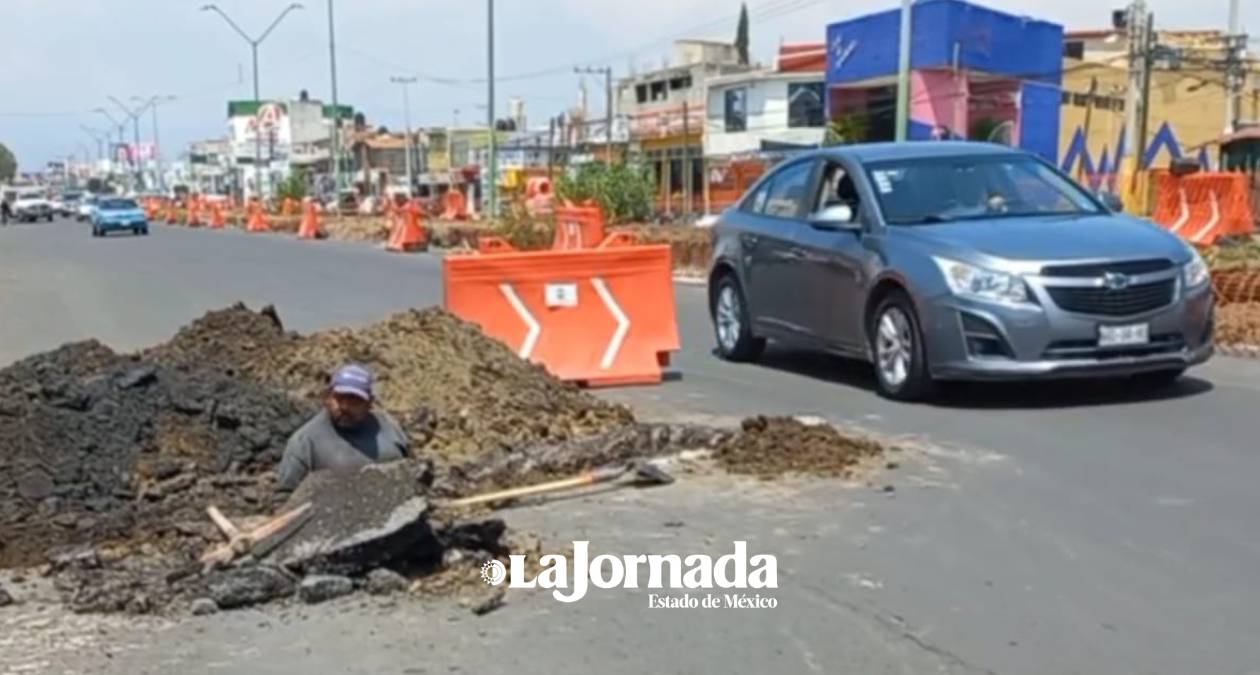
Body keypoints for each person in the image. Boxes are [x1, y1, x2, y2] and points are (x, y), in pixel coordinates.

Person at [277, 364, 411, 492]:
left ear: (369, 402)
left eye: (354, 400)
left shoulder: (389, 426)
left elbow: (412, 471)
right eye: (339, 398)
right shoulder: (305, 442)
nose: (345, 407)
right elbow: (284, 496)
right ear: (328, 397)